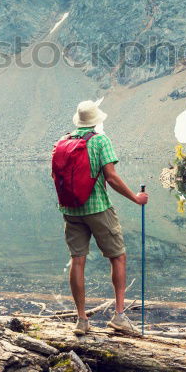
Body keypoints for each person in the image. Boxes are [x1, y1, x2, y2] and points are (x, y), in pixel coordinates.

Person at [58, 100, 148, 335]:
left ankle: (81, 320)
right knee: (118, 257)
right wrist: (135, 198)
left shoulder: (64, 141)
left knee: (77, 260)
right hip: (97, 207)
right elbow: (111, 177)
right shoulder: (100, 140)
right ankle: (119, 317)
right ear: (96, 120)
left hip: (71, 209)